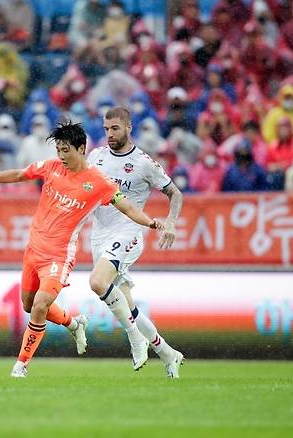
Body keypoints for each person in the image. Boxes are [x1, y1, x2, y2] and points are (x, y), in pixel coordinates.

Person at [0, 120, 164, 378]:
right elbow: (20, 174)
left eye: (66, 149)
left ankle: (20, 366)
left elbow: (127, 207)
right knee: (29, 304)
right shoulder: (52, 167)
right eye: (58, 149)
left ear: (81, 148)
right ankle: (73, 322)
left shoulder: (98, 182)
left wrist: (151, 222)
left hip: (59, 256)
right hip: (33, 250)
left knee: (41, 304)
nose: (61, 155)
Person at [85, 107, 185, 377]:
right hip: (100, 235)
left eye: (115, 128)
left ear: (129, 127)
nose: (110, 134)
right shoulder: (96, 157)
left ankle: (135, 340)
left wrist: (171, 222)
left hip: (128, 233)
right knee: (127, 306)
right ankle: (168, 353)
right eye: (106, 129)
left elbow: (174, 193)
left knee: (97, 282)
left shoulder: (143, 163)